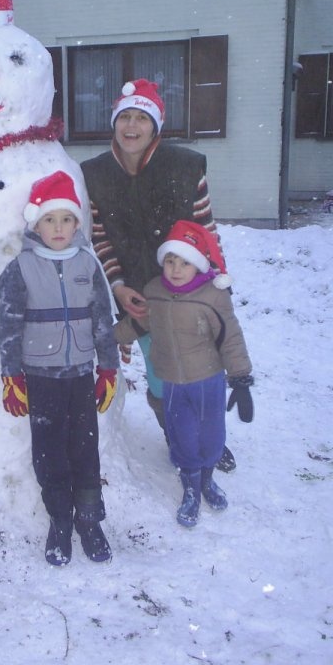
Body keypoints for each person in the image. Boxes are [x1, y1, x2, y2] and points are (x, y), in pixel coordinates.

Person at [81, 78, 236, 473]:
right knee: (160, 374)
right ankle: (176, 433)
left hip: (190, 292)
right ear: (115, 123)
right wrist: (118, 286)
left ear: (155, 126)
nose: (131, 126)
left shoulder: (185, 167)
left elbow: (206, 228)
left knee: (198, 369)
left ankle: (208, 435)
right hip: (141, 298)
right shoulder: (94, 175)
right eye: (125, 117)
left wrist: (215, 286)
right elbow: (100, 238)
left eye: (141, 118)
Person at [0, 170, 119, 565]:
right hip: (41, 378)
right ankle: (60, 521)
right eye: (50, 220)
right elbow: (9, 325)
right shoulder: (20, 268)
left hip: (81, 375)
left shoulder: (88, 262)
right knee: (49, 453)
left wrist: (109, 369)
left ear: (77, 223)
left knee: (85, 450)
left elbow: (102, 317)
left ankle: (89, 518)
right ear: (36, 223)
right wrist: (12, 376)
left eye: (67, 219)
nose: (59, 228)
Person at [114, 220, 254, 527]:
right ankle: (191, 488)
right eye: (170, 261)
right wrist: (110, 337)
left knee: (212, 436)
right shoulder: (155, 292)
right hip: (173, 383)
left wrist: (240, 378)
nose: (176, 269)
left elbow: (230, 336)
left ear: (200, 266)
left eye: (185, 262)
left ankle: (207, 481)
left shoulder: (213, 297)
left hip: (208, 381)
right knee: (183, 437)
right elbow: (138, 323)